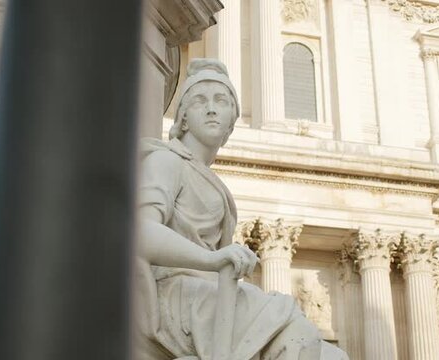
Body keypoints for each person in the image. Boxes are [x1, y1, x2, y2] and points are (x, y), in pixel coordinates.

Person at [136, 59, 348, 360]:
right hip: (179, 296)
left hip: (211, 295)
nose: (211, 108)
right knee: (299, 339)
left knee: (331, 356)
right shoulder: (167, 161)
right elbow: (140, 233)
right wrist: (212, 259)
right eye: (199, 101)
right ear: (182, 118)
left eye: (221, 101)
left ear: (231, 121)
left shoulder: (208, 180)